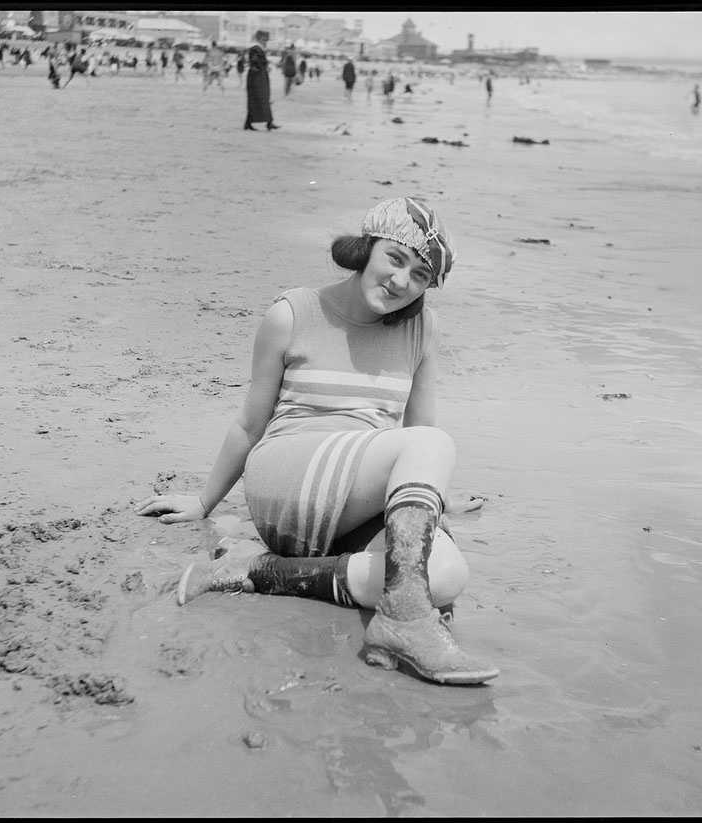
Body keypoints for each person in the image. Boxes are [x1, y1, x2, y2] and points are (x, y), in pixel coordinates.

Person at [136, 196, 499, 686]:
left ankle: (264, 573)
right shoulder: (293, 313)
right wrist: (204, 500)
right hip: (286, 477)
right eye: (395, 259)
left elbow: (415, 428)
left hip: (354, 493)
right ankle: (404, 620)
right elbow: (249, 424)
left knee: (449, 574)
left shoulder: (421, 329)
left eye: (419, 276)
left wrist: (437, 498)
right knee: (434, 445)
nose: (400, 282)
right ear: (367, 248)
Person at [243, 30, 278, 131]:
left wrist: (265, 66)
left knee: (261, 99)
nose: (266, 41)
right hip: (256, 77)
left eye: (266, 40)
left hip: (259, 76)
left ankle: (267, 122)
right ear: (259, 38)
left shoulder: (258, 49)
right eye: (264, 39)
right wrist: (264, 66)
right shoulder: (255, 48)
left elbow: (256, 62)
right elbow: (254, 62)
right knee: (259, 99)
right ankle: (267, 123)